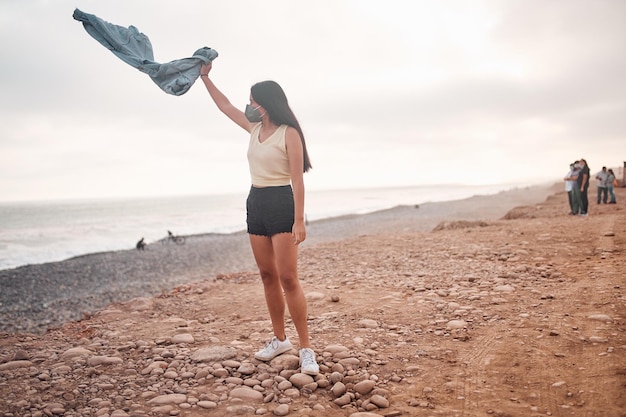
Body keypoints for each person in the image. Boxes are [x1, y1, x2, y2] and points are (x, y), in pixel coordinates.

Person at [198, 62, 319, 375]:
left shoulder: (288, 133)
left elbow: (298, 180)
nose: (247, 105)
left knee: (288, 278)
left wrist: (300, 219)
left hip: (281, 202)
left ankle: (306, 349)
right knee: (267, 276)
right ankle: (279, 339)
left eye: (252, 101)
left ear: (264, 104)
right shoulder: (253, 129)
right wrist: (204, 77)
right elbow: (224, 106)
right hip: (256, 202)